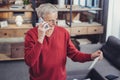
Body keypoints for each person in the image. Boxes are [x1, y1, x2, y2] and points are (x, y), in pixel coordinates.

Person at [24, 3, 103, 80]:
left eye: (56, 19)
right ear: (41, 19)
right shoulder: (31, 35)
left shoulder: (63, 32)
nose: (54, 23)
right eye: (51, 20)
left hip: (60, 78)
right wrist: (40, 39)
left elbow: (74, 54)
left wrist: (91, 56)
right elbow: (29, 62)